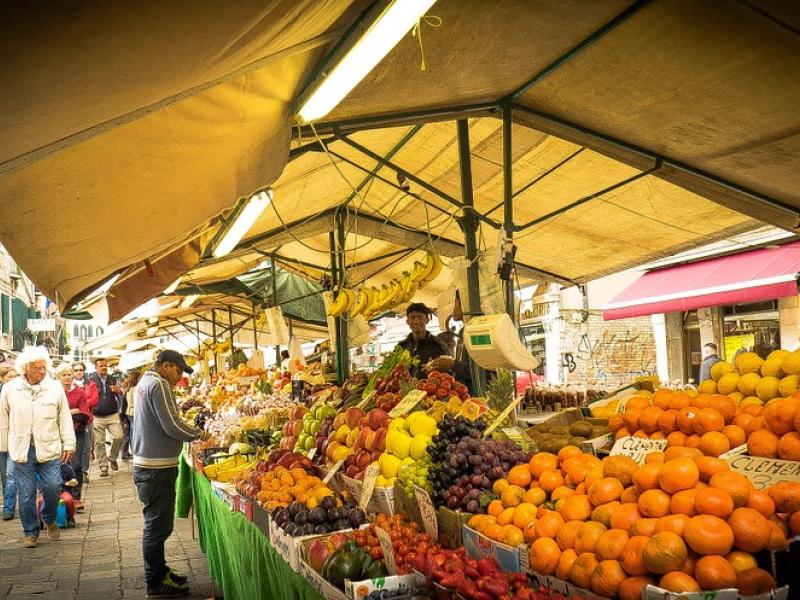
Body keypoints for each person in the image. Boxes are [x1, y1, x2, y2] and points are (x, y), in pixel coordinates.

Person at [132, 350, 202, 598]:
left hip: (148, 464)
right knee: (157, 526)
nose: (180, 376)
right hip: (155, 467)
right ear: (165, 366)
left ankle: (160, 571)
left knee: (157, 523)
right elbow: (171, 424)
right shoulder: (159, 384)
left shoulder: (145, 381)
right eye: (179, 370)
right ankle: (155, 582)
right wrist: (199, 434)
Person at [0, 346, 75, 548]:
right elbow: (3, 419)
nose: (41, 372)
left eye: (43, 367)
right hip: (21, 449)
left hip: (49, 447)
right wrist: (4, 446)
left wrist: (68, 443)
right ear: (25, 368)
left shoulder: (54, 387)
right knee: (25, 494)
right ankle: (30, 531)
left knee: (52, 487)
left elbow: (64, 417)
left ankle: (49, 518)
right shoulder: (10, 389)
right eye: (36, 368)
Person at [55, 363, 91, 511]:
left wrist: (70, 413)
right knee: (62, 464)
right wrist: (72, 411)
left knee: (76, 464)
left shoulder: (80, 392)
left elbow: (85, 415)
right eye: (64, 375)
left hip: (78, 432)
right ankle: (64, 495)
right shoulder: (55, 392)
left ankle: (76, 498)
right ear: (58, 377)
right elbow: (55, 415)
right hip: (59, 434)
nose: (67, 377)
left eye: (69, 374)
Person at [395, 303, 451, 378]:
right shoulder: (401, 347)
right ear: (407, 321)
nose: (416, 322)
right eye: (412, 317)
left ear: (427, 320)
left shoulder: (438, 345)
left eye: (420, 317)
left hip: (429, 388)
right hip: (404, 389)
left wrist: (435, 370)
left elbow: (449, 371)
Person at [88, 358, 123, 477]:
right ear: (96, 367)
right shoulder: (91, 380)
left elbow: (121, 393)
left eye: (105, 366)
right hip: (97, 415)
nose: (103, 367)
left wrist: (119, 390)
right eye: (101, 366)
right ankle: (103, 467)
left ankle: (112, 457)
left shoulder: (112, 379)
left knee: (119, 437)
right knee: (99, 442)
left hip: (112, 413)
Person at [72, 361, 98, 481]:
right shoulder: (69, 385)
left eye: (80, 370)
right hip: (71, 422)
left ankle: (84, 471)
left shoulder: (90, 384)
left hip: (87, 419)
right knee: (73, 447)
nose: (78, 372)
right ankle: (73, 471)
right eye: (76, 370)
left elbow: (94, 399)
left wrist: (81, 405)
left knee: (86, 447)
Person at [0, 366, 19, 520]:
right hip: (1, 439)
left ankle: (9, 507)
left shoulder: (19, 394)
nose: (13, 380)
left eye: (15, 376)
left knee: (10, 474)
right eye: (9, 377)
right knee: (5, 476)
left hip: (14, 438)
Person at [123, 370, 142, 460]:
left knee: (131, 433)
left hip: (129, 413)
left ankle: (134, 452)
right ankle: (135, 453)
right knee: (135, 433)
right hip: (135, 413)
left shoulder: (129, 388)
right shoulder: (136, 389)